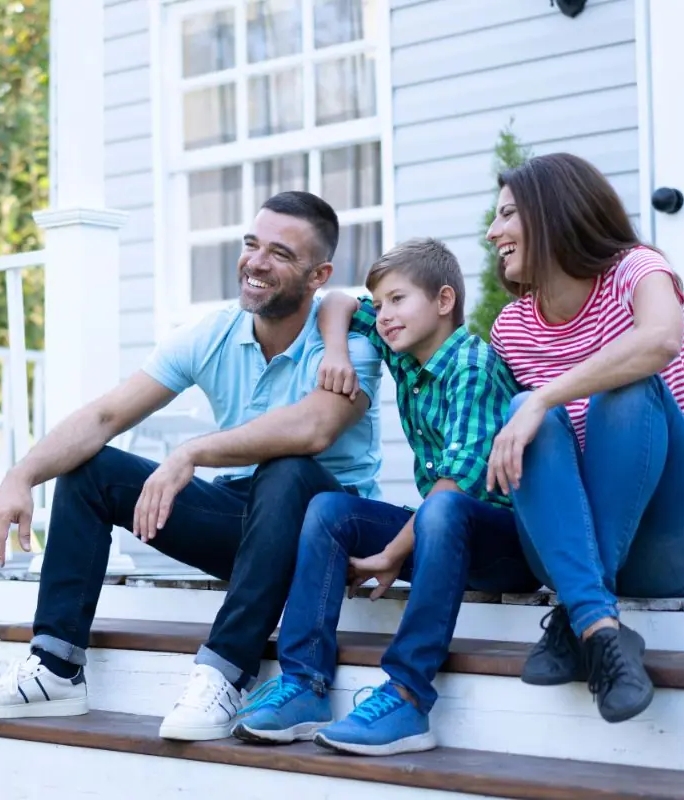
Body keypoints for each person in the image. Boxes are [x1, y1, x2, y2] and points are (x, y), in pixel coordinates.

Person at [0, 191, 384, 741]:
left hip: (326, 535)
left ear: (318, 274)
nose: (256, 262)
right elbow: (107, 414)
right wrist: (20, 477)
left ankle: (224, 674)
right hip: (249, 525)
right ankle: (56, 668)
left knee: (287, 468)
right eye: (252, 245)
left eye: (280, 253)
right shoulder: (215, 333)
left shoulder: (349, 343)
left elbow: (314, 429)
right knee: (91, 469)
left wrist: (192, 451)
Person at [231, 237, 539, 755]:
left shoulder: (471, 365)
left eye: (399, 300)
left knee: (441, 505)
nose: (386, 315)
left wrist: (393, 551)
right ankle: (305, 685)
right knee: (330, 509)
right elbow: (339, 302)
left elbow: (457, 484)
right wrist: (335, 354)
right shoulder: (407, 355)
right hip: (439, 534)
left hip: (505, 544)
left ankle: (407, 696)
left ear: (444, 302)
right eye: (384, 302)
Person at [485, 152, 684, 724]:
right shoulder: (512, 327)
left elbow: (659, 342)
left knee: (624, 391)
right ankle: (600, 628)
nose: (492, 232)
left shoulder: (638, 269)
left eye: (507, 214)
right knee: (525, 409)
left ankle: (575, 613)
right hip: (567, 549)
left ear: (553, 211)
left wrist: (548, 396)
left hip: (679, 543)